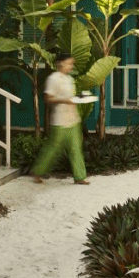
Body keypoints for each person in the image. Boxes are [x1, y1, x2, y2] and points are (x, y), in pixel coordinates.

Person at [32, 52, 89, 185]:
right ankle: (38, 171)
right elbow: (47, 98)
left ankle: (80, 177)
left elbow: (72, 97)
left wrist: (78, 99)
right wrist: (65, 100)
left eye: (72, 63)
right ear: (60, 64)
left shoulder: (70, 79)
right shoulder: (53, 78)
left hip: (73, 119)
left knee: (76, 148)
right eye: (69, 63)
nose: (71, 66)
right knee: (53, 148)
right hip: (59, 121)